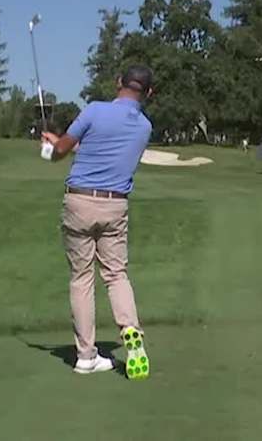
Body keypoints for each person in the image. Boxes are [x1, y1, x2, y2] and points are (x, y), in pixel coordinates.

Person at [41, 64, 156, 379]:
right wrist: (67, 144)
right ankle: (130, 330)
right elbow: (106, 148)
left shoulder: (93, 110)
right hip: (114, 205)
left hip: (78, 200)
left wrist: (52, 145)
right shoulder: (145, 127)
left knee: (81, 278)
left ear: (118, 82)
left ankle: (86, 356)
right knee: (116, 274)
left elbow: (60, 152)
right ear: (149, 93)